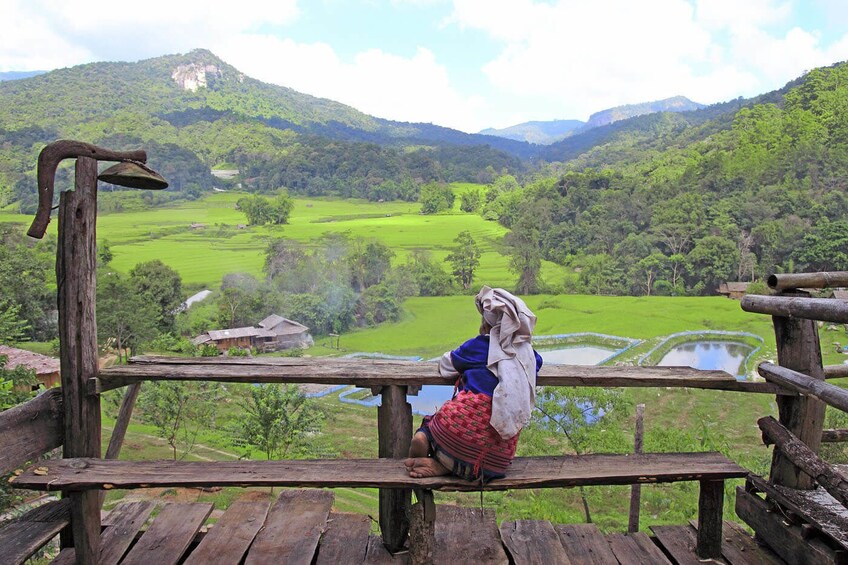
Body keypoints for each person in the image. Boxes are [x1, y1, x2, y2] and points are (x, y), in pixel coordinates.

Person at [404, 286, 542, 482]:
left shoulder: (476, 346)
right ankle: (451, 466)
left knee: (429, 427)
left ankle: (438, 458)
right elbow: (535, 366)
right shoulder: (529, 357)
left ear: (486, 324)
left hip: (455, 437)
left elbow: (447, 365)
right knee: (486, 452)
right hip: (494, 461)